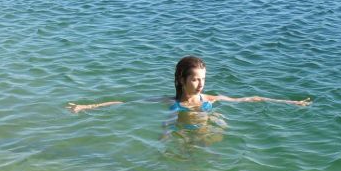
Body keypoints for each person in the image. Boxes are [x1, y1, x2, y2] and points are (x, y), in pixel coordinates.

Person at [66, 56, 311, 113]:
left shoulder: (210, 99)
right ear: (182, 79)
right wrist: (87, 107)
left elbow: (251, 99)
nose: (201, 83)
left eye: (203, 78)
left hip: (204, 127)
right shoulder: (170, 101)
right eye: (195, 78)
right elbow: (125, 102)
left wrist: (290, 102)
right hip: (179, 128)